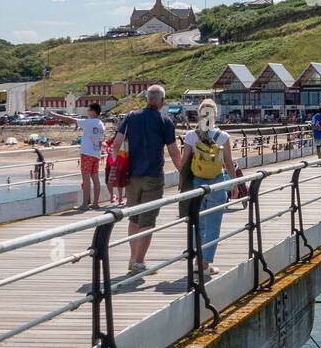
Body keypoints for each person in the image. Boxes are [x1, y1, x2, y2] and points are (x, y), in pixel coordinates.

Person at [112, 85, 183, 278]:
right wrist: (182, 172)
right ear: (162, 101)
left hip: (131, 176)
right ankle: (139, 262)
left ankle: (133, 258)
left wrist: (117, 165)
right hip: (153, 176)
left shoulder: (130, 117)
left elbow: (116, 144)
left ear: (147, 99)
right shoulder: (165, 121)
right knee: (148, 221)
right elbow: (173, 151)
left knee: (134, 218)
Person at [180, 99, 237, 277]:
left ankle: (198, 262)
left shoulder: (191, 135)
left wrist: (182, 185)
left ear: (198, 114)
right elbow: (228, 163)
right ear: (215, 115)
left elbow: (184, 163)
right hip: (217, 182)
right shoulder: (222, 136)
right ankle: (205, 265)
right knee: (213, 225)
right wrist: (234, 184)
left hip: (197, 183)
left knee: (198, 224)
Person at [49, 104, 106, 208]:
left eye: (88, 109)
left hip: (87, 154)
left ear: (93, 111)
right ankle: (95, 203)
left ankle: (84, 204)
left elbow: (71, 120)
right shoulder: (101, 124)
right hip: (96, 154)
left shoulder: (89, 122)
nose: (87, 111)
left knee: (86, 179)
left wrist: (55, 115)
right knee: (95, 179)